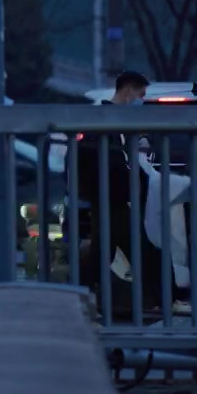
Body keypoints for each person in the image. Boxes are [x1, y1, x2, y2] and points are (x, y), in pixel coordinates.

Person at [73, 70, 164, 316]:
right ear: (127, 91)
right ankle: (166, 299)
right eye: (140, 95)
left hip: (110, 200)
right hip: (112, 200)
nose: (141, 101)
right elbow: (106, 165)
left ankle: (77, 298)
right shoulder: (103, 121)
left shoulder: (112, 122)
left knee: (104, 253)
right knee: (141, 251)